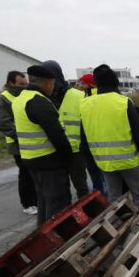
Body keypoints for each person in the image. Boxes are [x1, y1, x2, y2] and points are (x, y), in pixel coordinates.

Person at [80, 64, 139, 210]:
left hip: (104, 161)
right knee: (138, 195)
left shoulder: (85, 104)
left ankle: (118, 227)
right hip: (128, 160)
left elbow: (83, 136)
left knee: (114, 197)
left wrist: (92, 159)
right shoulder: (123, 102)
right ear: (114, 82)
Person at [12, 65, 73, 226]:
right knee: (58, 204)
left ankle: (43, 236)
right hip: (49, 161)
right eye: (52, 83)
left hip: (31, 159)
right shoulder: (39, 102)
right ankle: (59, 241)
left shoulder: (20, 99)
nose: (53, 87)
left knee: (44, 201)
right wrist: (68, 157)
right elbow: (57, 135)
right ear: (47, 83)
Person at [41, 60, 89, 199]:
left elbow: (86, 123)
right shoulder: (42, 98)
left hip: (76, 151)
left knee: (81, 186)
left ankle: (87, 212)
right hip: (53, 150)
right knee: (59, 190)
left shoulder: (78, 96)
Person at [0, 71, 38, 215]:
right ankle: (28, 204)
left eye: (25, 84)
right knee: (25, 173)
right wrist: (20, 135)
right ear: (11, 83)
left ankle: (37, 200)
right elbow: (2, 123)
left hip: (32, 141)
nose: (24, 87)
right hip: (17, 143)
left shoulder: (25, 95)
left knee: (35, 172)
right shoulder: (3, 99)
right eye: (20, 84)